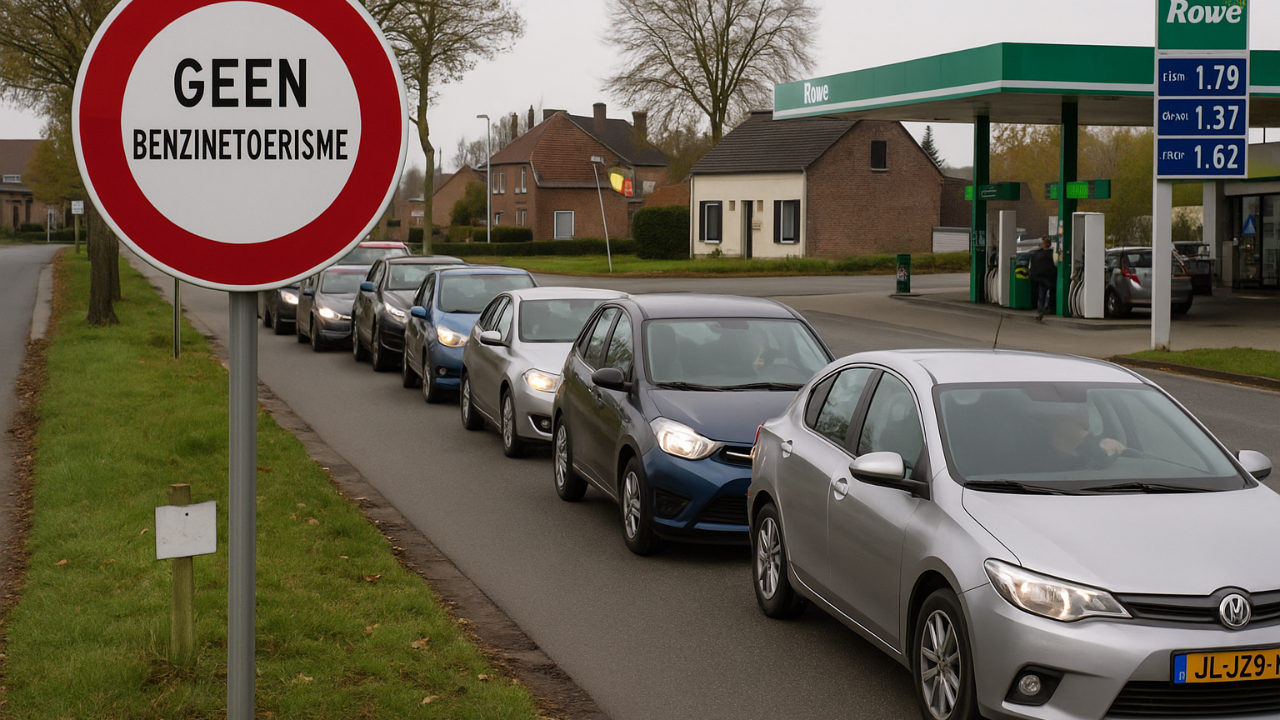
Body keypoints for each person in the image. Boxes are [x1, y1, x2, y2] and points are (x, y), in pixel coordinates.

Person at [1041, 405, 1125, 470]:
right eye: (1077, 412)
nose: (1086, 416)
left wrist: (1109, 448)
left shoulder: (1093, 446)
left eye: (1085, 412)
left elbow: (1106, 461)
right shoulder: (1041, 457)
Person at [1028, 237, 1057, 321]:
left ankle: (1041, 310)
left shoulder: (1037, 254)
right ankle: (1050, 308)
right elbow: (1056, 264)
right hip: (1050, 277)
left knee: (1042, 294)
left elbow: (1031, 266)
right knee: (1051, 293)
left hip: (1041, 277)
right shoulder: (1053, 254)